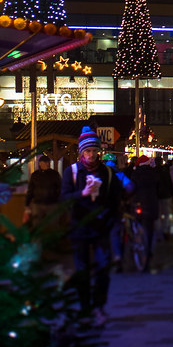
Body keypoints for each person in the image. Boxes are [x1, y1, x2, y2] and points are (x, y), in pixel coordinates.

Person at [61, 126, 123, 325]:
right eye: (87, 151)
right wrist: (83, 194)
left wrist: (111, 219)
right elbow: (63, 199)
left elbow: (115, 199)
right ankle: (85, 308)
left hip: (101, 227)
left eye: (94, 151)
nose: (91, 155)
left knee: (103, 268)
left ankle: (98, 306)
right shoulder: (71, 171)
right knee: (82, 270)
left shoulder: (107, 172)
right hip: (80, 227)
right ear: (81, 152)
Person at [131, 155, 159, 271]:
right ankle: (150, 251)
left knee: (137, 224)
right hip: (152, 204)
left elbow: (131, 188)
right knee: (151, 229)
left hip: (139, 203)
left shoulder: (135, 174)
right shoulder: (154, 174)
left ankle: (138, 245)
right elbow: (159, 188)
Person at [23, 153, 61, 226]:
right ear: (40, 163)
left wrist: (57, 199)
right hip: (38, 203)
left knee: (54, 225)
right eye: (45, 162)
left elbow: (59, 188)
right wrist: (27, 203)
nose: (47, 164)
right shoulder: (35, 175)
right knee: (37, 225)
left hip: (51, 203)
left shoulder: (54, 174)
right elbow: (31, 190)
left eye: (48, 162)